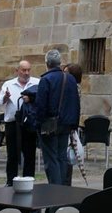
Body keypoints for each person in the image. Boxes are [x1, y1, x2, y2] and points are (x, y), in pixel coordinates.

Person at [34, 48, 80, 185]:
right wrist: (74, 124)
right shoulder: (70, 79)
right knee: (61, 157)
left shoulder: (46, 79)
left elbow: (41, 105)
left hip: (50, 124)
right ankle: (62, 189)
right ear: (59, 63)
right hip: (66, 124)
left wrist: (38, 124)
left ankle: (55, 189)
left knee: (51, 159)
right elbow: (75, 103)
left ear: (47, 63)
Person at [0, 59, 40, 185]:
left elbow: (42, 99)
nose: (26, 73)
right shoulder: (9, 84)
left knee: (30, 153)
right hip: (12, 123)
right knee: (12, 154)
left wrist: (31, 98)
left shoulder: (36, 83)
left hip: (29, 123)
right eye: (23, 70)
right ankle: (11, 181)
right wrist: (5, 97)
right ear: (17, 71)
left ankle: (28, 181)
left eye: (28, 70)